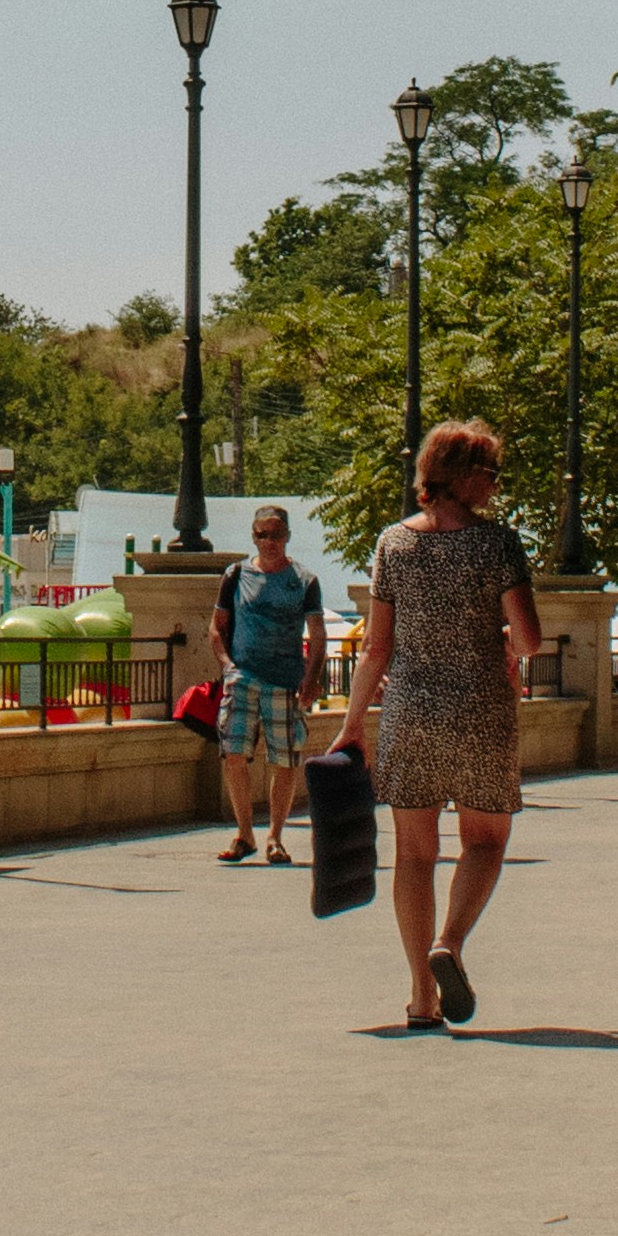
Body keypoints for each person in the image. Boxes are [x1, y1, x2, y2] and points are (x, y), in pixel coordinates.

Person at [335, 419, 543, 1032]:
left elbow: (377, 648)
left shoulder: (393, 544)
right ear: (462, 476)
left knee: (414, 855)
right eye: (490, 474)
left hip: (412, 712)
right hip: (481, 708)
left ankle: (421, 997)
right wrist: (507, 637)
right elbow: (529, 639)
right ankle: (449, 943)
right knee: (485, 842)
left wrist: (352, 727)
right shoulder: (498, 544)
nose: (496, 486)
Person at [213, 506, 326, 865]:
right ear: (253, 536)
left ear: (287, 536)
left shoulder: (303, 580)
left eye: (276, 534)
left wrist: (312, 676)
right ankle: (244, 833)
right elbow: (217, 626)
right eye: (262, 535)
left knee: (285, 758)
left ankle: (275, 836)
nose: (269, 542)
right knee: (234, 753)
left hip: (285, 681)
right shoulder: (235, 575)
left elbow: (318, 634)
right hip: (243, 677)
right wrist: (228, 666)